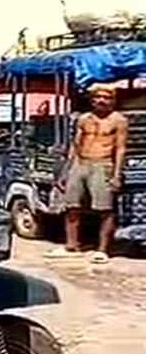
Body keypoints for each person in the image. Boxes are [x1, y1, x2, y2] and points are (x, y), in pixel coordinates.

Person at [48, 84, 128, 263]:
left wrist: (116, 174)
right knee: (71, 207)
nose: (102, 101)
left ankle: (102, 250)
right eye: (98, 97)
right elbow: (75, 146)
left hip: (103, 164)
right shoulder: (84, 119)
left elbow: (121, 149)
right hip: (81, 164)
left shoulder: (118, 120)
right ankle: (71, 245)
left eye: (106, 98)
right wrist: (66, 172)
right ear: (92, 100)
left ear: (113, 100)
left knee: (105, 210)